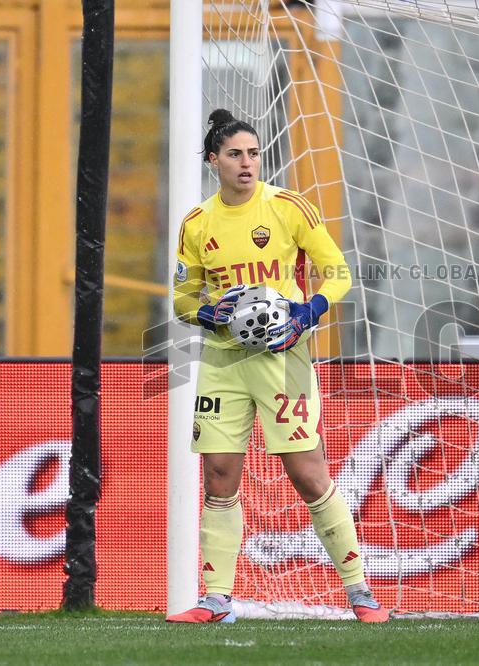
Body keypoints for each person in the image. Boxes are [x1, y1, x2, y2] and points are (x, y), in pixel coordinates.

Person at [166, 109, 387, 623]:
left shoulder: (289, 208)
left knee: (308, 476)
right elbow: (180, 297)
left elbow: (338, 274)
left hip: (283, 360)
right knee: (219, 476)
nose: (247, 163)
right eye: (235, 154)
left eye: (253, 152)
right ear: (213, 161)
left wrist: (309, 310)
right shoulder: (198, 225)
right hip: (224, 361)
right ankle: (216, 599)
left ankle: (360, 593)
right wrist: (204, 312)